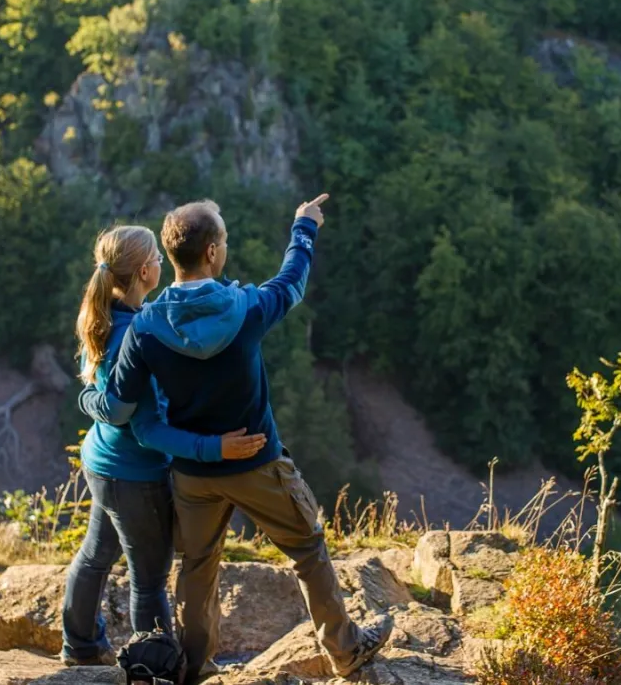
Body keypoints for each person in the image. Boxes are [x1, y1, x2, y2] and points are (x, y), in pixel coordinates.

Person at [81, 195, 393, 682]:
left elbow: (127, 414)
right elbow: (292, 282)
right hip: (256, 465)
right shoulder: (247, 309)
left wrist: (87, 399)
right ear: (212, 253)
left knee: (198, 566)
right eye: (223, 238)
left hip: (192, 476)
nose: (224, 244)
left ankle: (193, 668)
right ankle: (345, 649)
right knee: (308, 548)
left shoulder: (144, 329)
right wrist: (303, 228)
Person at [62, 225, 268, 667]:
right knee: (150, 580)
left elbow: (104, 401)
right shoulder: (132, 337)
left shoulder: (102, 316)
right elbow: (147, 429)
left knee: (96, 554)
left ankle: (79, 646)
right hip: (136, 473)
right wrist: (214, 448)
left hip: (102, 463)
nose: (162, 261)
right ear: (145, 270)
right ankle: (154, 667)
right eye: (156, 255)